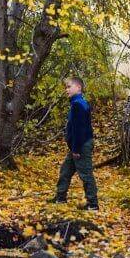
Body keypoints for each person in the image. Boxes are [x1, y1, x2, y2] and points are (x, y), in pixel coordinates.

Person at [53, 76, 99, 209]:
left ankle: (93, 204)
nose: (66, 89)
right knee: (65, 171)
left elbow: (79, 130)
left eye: (69, 87)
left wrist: (76, 149)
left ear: (78, 87)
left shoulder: (78, 105)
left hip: (81, 145)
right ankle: (60, 198)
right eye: (66, 87)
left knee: (85, 174)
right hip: (77, 145)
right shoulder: (78, 103)